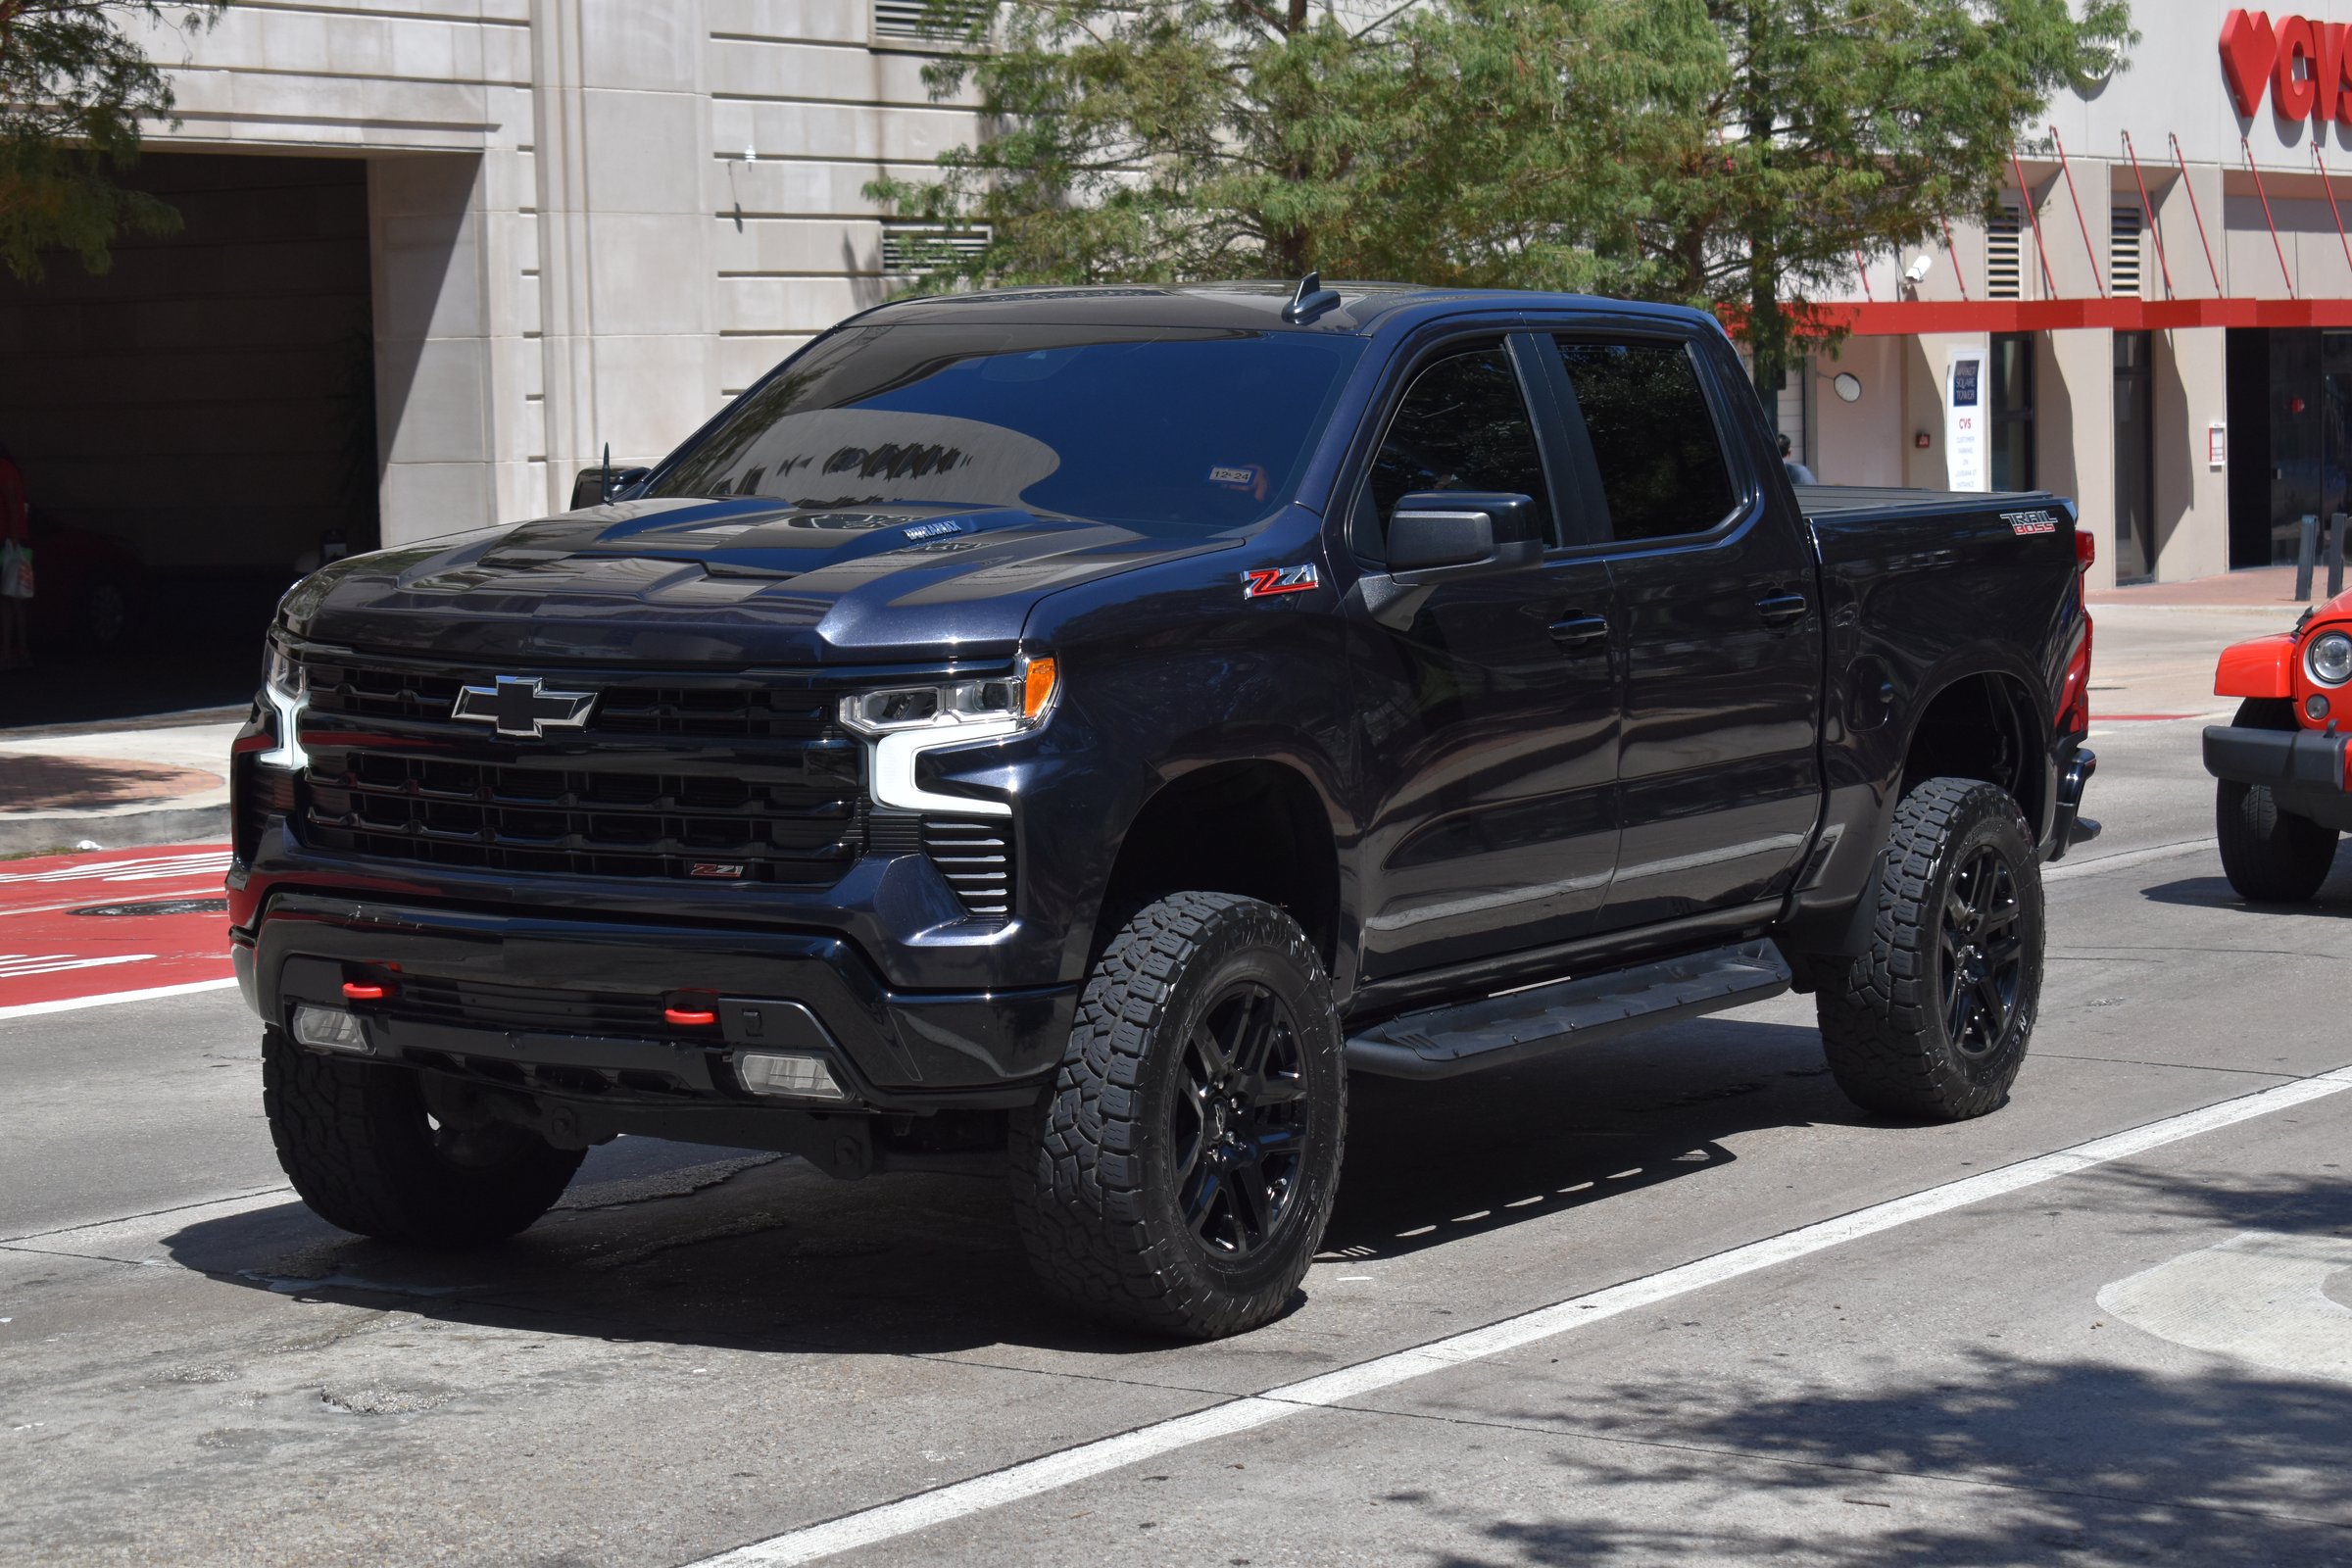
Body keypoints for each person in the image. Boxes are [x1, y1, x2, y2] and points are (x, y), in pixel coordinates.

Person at [0, 442, 28, 671]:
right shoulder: (10, 469)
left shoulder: (3, 469)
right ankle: (17, 651)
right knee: (14, 597)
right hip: (16, 543)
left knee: (9, 598)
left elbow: (10, 504)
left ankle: (12, 652)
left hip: (8, 543)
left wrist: (13, 542)